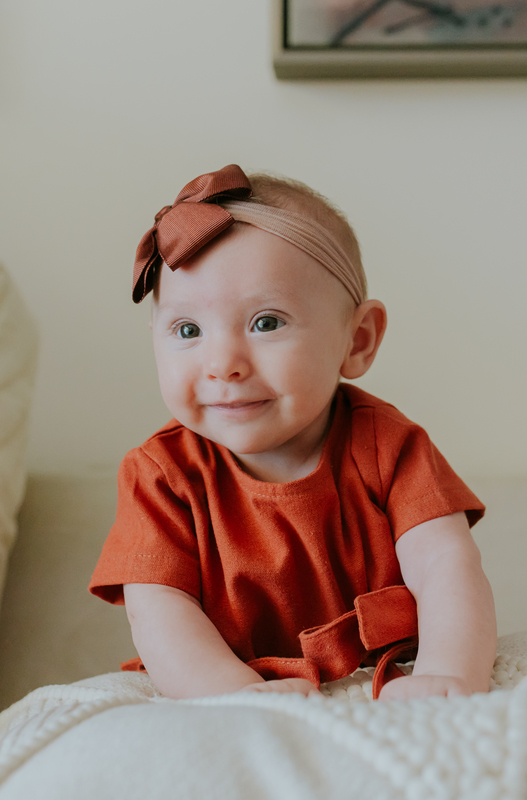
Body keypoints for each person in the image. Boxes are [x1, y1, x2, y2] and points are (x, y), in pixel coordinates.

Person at [89, 165, 497, 701]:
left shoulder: (388, 447)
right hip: (218, 685)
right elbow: (159, 609)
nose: (222, 364)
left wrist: (448, 676)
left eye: (266, 322)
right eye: (187, 330)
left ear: (357, 341)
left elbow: (446, 564)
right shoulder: (162, 475)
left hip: (380, 675)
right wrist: (234, 694)